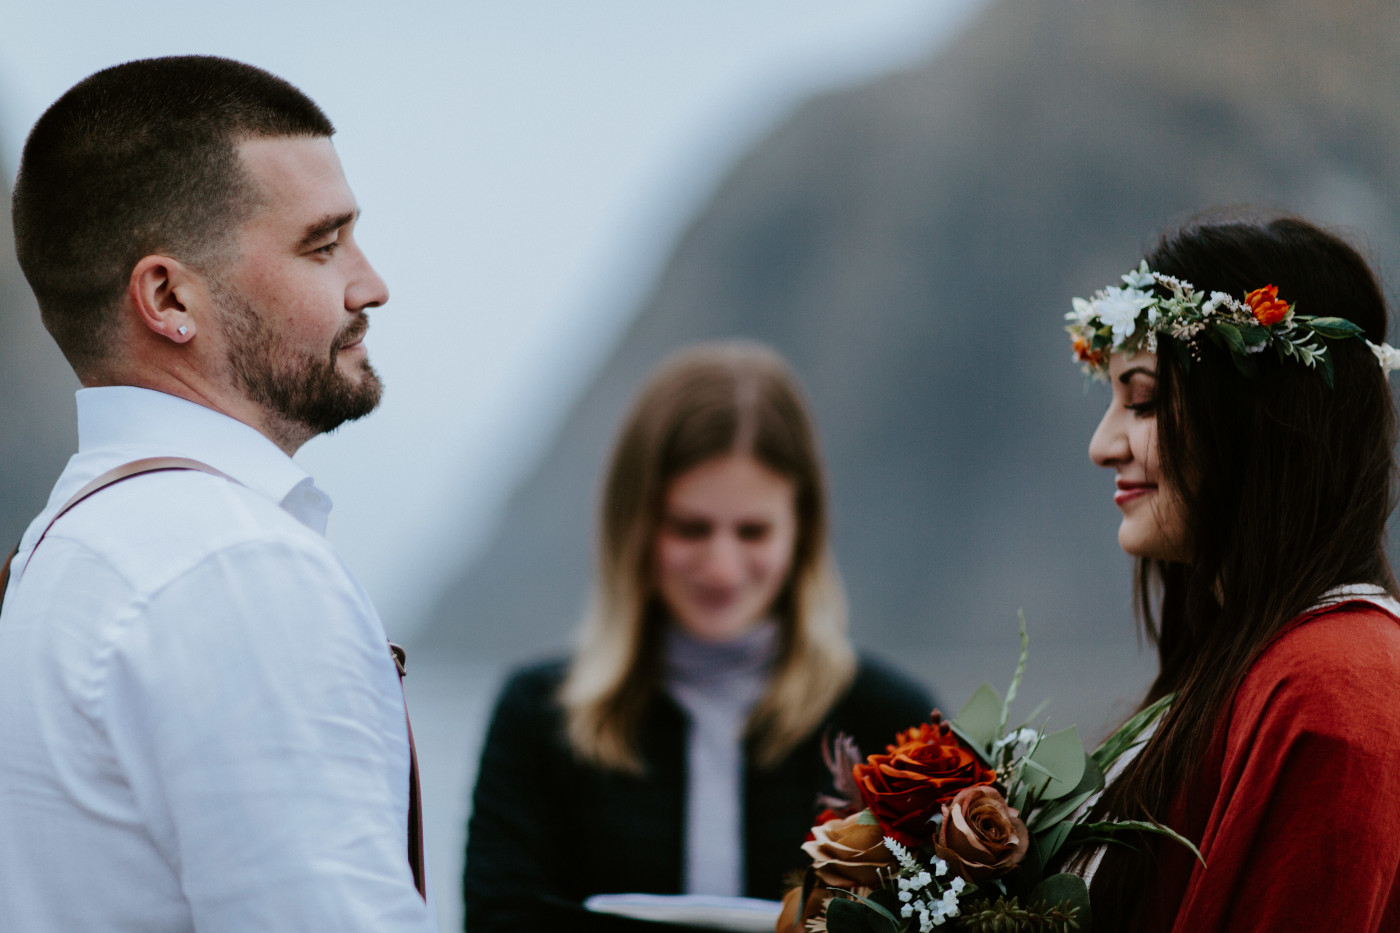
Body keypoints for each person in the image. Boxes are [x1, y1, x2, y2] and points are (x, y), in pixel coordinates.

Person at [0, 57, 436, 931]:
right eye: (323, 244)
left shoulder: (68, 542)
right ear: (168, 297)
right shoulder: (237, 566)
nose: (370, 284)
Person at [462, 341, 934, 931]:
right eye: (690, 528)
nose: (722, 568)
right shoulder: (536, 718)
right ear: (632, 525)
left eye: (753, 532)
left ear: (803, 529)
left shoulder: (897, 726)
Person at [1063, 215, 1400, 930]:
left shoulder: (1336, 687)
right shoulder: (1257, 660)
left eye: (1144, 401)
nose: (1102, 444)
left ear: (1256, 416)